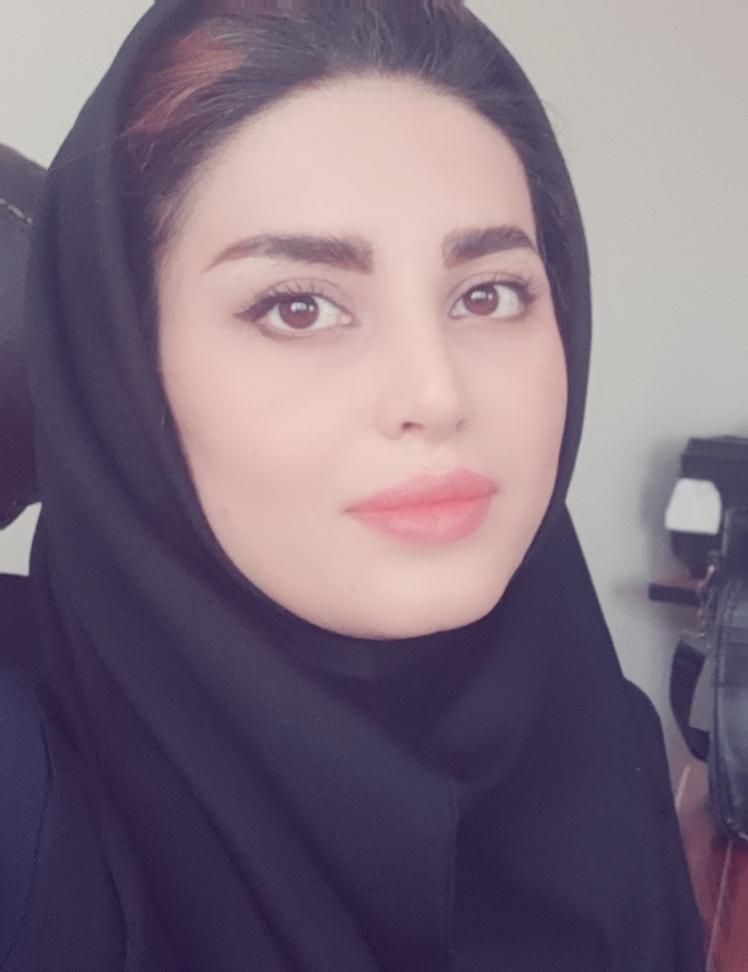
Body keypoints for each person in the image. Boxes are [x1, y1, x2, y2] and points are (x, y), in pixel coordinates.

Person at [0, 0, 706, 968]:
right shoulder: (25, 794)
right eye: (298, 307)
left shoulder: (607, 739)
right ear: (122, 368)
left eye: (488, 293)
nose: (435, 394)